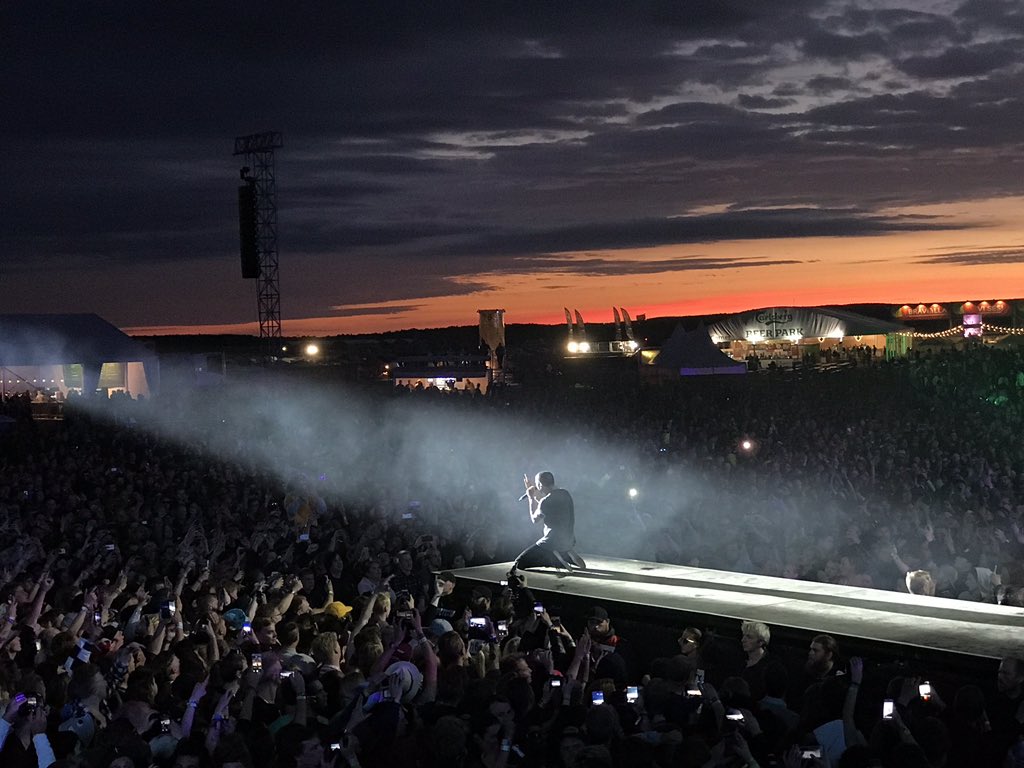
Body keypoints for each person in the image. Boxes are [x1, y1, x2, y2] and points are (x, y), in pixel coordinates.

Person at [510, 471, 585, 573]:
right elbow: (549, 508)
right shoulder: (565, 493)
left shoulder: (545, 502)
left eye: (537, 485)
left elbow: (534, 519)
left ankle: (555, 561)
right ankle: (566, 554)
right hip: (568, 539)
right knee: (563, 548)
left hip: (551, 542)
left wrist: (531, 498)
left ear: (540, 484)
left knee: (519, 563)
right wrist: (537, 499)